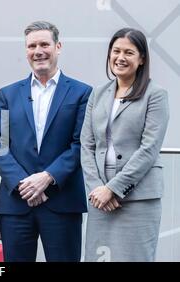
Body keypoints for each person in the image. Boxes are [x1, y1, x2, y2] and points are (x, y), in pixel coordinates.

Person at [0, 21, 92, 262]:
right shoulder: (8, 94)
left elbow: (81, 144)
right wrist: (24, 185)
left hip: (62, 200)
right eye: (32, 45)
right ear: (26, 51)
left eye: (44, 44)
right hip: (17, 202)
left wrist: (46, 179)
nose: (38, 51)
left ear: (58, 47)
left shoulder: (82, 92)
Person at [81, 28, 169, 262]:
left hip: (138, 198)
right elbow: (87, 144)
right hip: (99, 199)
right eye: (116, 51)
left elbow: (149, 149)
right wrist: (97, 188)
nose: (120, 57)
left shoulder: (155, 94)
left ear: (141, 59)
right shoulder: (98, 93)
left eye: (129, 52)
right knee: (97, 258)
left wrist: (113, 189)